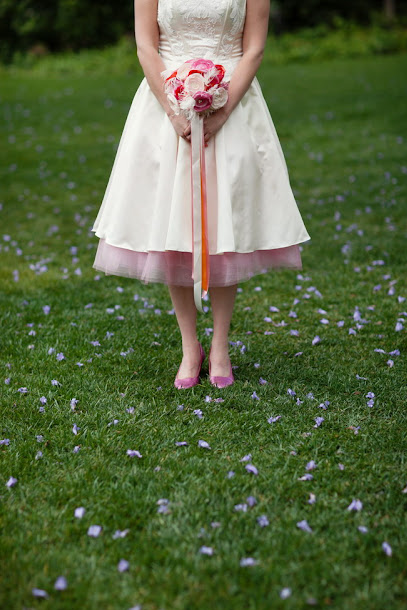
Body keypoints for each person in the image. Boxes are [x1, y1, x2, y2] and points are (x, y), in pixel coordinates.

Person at [92, 0, 311, 389]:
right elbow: (146, 45)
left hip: (233, 105)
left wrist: (222, 112)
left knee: (227, 223)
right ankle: (189, 346)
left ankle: (221, 345)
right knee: (174, 223)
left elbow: (254, 48)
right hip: (166, 108)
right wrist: (174, 111)